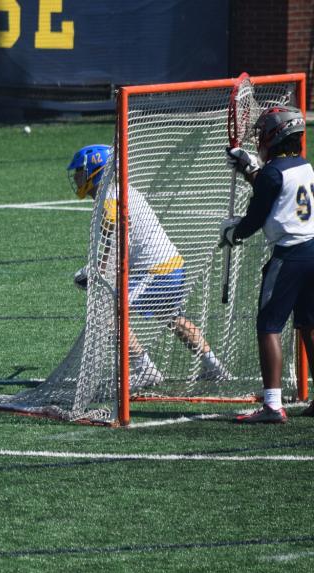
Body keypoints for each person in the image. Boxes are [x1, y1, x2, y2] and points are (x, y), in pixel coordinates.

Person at [68, 144, 230, 389]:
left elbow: (118, 241)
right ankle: (215, 367)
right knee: (172, 318)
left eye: (80, 171)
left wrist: (99, 272)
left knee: (108, 313)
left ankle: (145, 370)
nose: (76, 177)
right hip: (172, 268)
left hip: (156, 273)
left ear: (94, 171)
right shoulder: (119, 191)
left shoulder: (109, 198)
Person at [221, 104, 314, 423]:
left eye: (264, 132)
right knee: (309, 324)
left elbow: (256, 217)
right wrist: (248, 168)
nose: (260, 137)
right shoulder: (303, 165)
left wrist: (233, 232)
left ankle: (272, 405)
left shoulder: (273, 173)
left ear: (276, 135)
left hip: (288, 256)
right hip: (312, 249)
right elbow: (272, 187)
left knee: (269, 326)